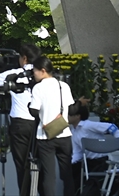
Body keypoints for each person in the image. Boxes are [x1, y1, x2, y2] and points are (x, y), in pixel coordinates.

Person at [0, 44, 39, 196]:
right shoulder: (43, 74)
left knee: (23, 166)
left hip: (20, 125)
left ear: (24, 58)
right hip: (40, 124)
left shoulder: (15, 73)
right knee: (40, 164)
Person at [30, 56, 75, 196]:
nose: (33, 74)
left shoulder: (38, 88)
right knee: (67, 173)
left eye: (35, 71)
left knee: (49, 176)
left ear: (43, 71)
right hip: (64, 134)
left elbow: (33, 111)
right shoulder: (63, 86)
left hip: (46, 136)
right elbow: (71, 108)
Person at [68, 101, 119, 193]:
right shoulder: (74, 131)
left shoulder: (88, 125)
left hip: (101, 161)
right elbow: (77, 152)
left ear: (77, 116)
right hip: (88, 162)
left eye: (69, 115)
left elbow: (111, 127)